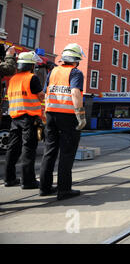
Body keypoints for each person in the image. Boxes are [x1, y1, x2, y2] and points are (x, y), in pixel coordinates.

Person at [39, 43, 86, 200]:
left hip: (51, 115)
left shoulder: (52, 72)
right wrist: (80, 115)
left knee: (49, 151)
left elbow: (45, 93)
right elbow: (75, 93)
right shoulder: (75, 73)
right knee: (66, 153)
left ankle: (44, 188)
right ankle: (64, 190)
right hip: (68, 117)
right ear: (76, 59)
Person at [4, 51, 44, 188]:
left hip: (14, 118)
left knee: (12, 149)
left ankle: (9, 179)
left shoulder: (13, 79)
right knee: (28, 149)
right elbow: (40, 96)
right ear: (31, 66)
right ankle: (28, 181)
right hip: (29, 118)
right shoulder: (32, 78)